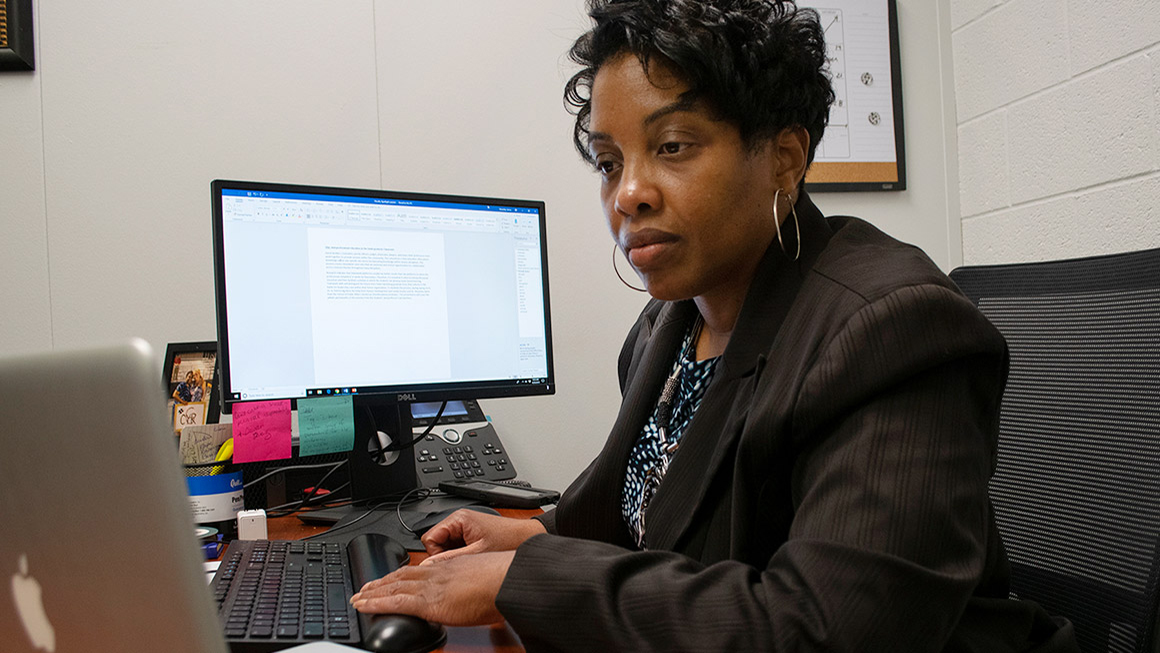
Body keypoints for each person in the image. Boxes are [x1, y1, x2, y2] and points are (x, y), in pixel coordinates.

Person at [352, 1, 1080, 650]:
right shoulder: (666, 326)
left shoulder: (890, 326)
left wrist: (530, 576)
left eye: (671, 146)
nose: (628, 194)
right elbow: (650, 513)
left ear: (784, 159)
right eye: (610, 161)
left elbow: (825, 628)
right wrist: (534, 534)